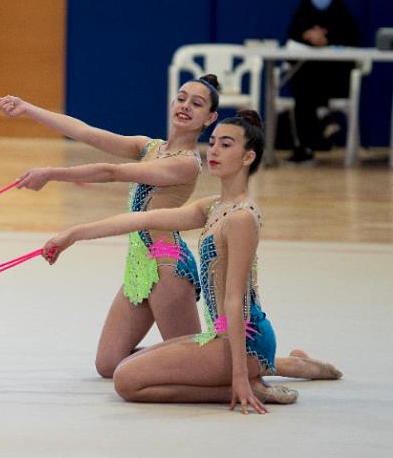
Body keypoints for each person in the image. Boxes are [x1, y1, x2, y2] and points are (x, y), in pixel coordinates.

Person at [42, 111, 341, 414]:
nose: (213, 151)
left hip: (246, 341)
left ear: (248, 156)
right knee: (122, 367)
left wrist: (238, 376)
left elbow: (235, 300)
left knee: (127, 381)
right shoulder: (213, 206)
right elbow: (142, 218)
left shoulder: (241, 217)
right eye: (212, 143)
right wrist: (73, 234)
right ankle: (283, 368)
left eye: (226, 145)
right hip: (219, 337)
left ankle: (248, 384)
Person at [0, 75, 219, 378]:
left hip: (168, 265)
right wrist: (28, 108)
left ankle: (275, 364)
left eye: (197, 104)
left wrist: (51, 173)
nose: (185, 106)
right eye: (182, 98)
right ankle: (188, 355)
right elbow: (85, 132)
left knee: (197, 364)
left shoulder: (186, 163)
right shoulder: (149, 147)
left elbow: (112, 172)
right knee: (109, 364)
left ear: (210, 118)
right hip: (140, 263)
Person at [286, 0, 360, 163]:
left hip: (335, 79)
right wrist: (308, 37)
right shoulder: (301, 14)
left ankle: (306, 145)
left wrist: (327, 41)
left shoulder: (343, 16)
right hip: (306, 80)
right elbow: (291, 42)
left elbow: (352, 43)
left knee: (308, 80)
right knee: (304, 77)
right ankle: (322, 115)